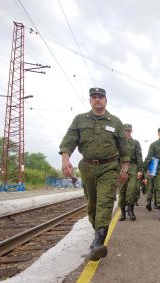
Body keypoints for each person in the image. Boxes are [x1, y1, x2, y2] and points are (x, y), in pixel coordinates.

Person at [59, 87, 129, 260]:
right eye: (94, 97)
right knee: (92, 206)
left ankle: (98, 242)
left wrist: (125, 169)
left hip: (109, 167)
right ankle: (98, 233)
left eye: (101, 97)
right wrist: (65, 160)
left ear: (106, 100)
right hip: (88, 167)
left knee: (104, 203)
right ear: (90, 100)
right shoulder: (80, 120)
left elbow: (124, 148)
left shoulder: (115, 122)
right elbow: (69, 140)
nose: (97, 100)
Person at [118, 124, 143, 221]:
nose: (127, 132)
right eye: (125, 131)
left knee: (132, 190)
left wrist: (140, 170)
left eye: (128, 131)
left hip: (133, 167)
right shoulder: (119, 143)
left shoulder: (136, 143)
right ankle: (123, 213)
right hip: (121, 167)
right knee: (122, 191)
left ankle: (131, 210)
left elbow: (139, 157)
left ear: (131, 131)